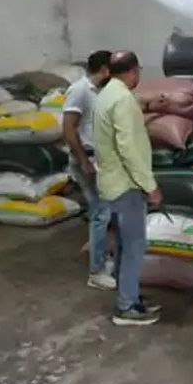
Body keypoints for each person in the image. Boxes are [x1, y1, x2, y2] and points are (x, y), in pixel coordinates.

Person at [93, 51, 163, 326]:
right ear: (133, 71)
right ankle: (126, 307)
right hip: (126, 184)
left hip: (112, 181)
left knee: (124, 244)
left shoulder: (106, 94)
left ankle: (129, 296)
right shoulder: (122, 98)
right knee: (134, 245)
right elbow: (129, 148)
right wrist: (150, 185)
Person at [63, 50, 115, 290]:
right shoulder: (79, 90)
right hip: (87, 160)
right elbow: (68, 129)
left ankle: (101, 256)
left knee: (104, 211)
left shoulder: (99, 91)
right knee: (101, 213)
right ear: (104, 70)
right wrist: (84, 161)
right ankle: (97, 272)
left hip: (99, 160)